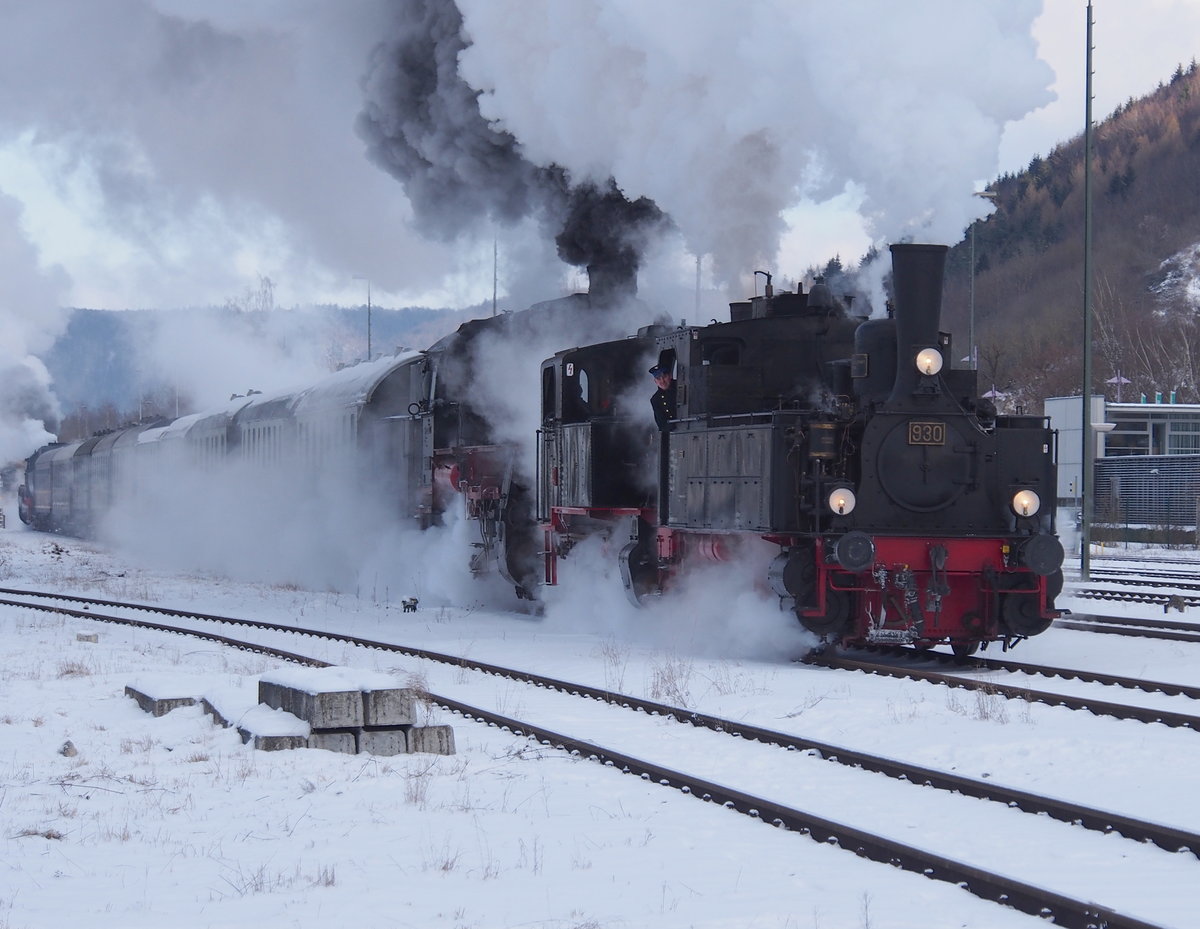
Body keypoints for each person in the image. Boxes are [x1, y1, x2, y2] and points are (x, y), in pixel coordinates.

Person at [649, 361, 677, 429]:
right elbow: (661, 423)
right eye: (658, 379)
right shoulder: (655, 399)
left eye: (664, 377)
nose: (662, 381)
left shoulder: (682, 386)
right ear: (655, 381)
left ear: (670, 376)